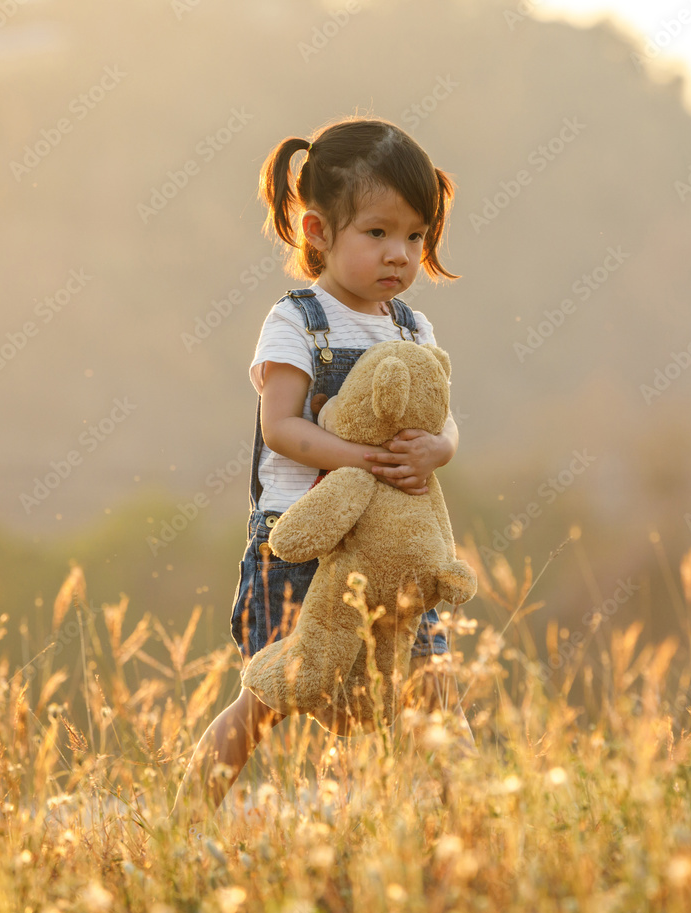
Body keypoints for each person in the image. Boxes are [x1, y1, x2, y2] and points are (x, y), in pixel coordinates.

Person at [167, 118, 473, 829]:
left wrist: (440, 448)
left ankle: (466, 831)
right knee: (269, 698)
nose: (399, 254)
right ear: (317, 230)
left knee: (429, 690)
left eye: (415, 236)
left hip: (394, 551)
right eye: (377, 232)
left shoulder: (412, 329)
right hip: (301, 546)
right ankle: (181, 824)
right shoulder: (298, 321)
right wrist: (362, 459)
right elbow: (283, 427)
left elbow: (443, 419)